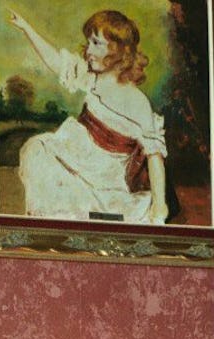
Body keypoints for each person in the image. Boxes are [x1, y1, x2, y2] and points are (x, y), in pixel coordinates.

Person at [9, 8, 169, 224]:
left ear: (117, 51)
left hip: (106, 180)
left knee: (92, 213)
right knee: (37, 151)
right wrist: (27, 28)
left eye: (96, 43)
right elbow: (56, 62)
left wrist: (160, 206)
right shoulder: (93, 79)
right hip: (76, 158)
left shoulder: (137, 102)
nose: (88, 50)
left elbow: (154, 155)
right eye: (89, 42)